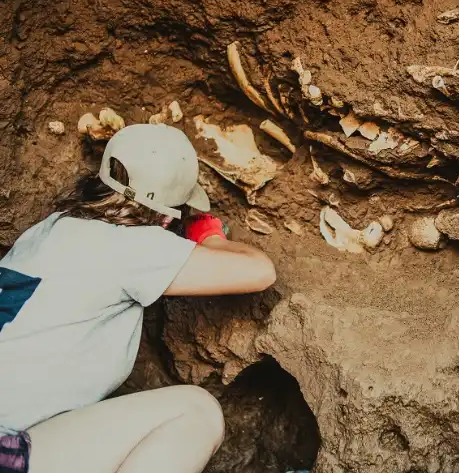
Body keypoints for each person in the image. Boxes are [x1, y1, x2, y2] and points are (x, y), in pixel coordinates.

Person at [0, 124, 277, 473]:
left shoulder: (50, 229)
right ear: (164, 216)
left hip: (15, 440)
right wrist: (208, 238)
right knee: (196, 411)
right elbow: (259, 271)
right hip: (6, 448)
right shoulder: (130, 248)